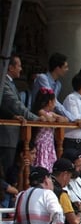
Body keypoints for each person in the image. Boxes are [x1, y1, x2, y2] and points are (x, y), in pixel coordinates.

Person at [2, 53, 41, 204]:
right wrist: (35, 119)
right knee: (6, 174)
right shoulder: (4, 82)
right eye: (18, 65)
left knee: (11, 174)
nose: (21, 68)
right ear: (10, 67)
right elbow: (13, 104)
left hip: (12, 135)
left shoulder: (10, 83)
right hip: (6, 136)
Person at [29, 88, 61, 170]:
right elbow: (50, 120)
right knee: (41, 164)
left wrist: (57, 119)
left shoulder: (51, 113)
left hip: (49, 143)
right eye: (54, 102)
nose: (54, 104)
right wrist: (54, 119)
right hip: (41, 143)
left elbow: (65, 119)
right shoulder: (41, 111)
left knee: (50, 165)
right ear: (50, 102)